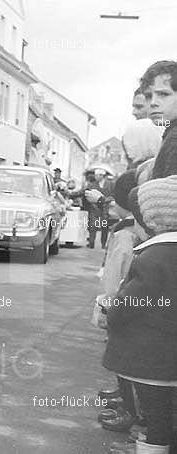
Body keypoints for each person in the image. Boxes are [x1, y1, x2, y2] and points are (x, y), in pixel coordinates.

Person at [102, 175, 177, 454]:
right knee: (166, 413)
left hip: (152, 356)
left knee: (154, 414)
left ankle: (150, 448)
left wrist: (111, 310)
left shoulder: (153, 258)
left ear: (153, 219)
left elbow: (130, 303)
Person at [93, 170, 148, 441]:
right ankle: (127, 401)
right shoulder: (125, 229)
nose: (110, 203)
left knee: (123, 359)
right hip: (121, 305)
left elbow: (116, 277)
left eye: (114, 200)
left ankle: (131, 411)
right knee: (121, 358)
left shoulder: (126, 236)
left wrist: (108, 306)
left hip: (119, 307)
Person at [140, 60, 177, 179]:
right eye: (148, 96)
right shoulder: (170, 126)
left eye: (163, 94)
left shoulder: (174, 137)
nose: (153, 103)